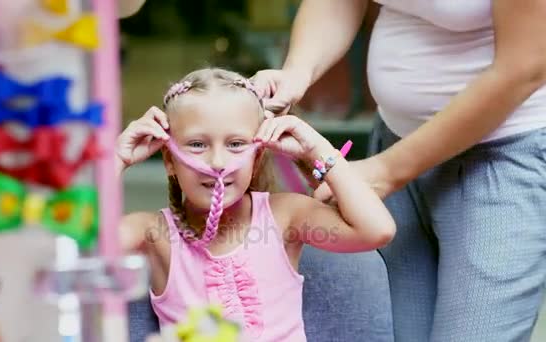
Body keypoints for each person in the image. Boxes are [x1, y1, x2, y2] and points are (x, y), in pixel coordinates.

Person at [251, 0, 546, 341]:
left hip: (501, 158)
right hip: (393, 140)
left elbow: (525, 66)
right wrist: (298, 70)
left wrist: (383, 172)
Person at [116, 67, 395, 341]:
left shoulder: (285, 215)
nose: (218, 163)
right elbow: (77, 246)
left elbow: (376, 230)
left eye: (236, 144)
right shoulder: (152, 233)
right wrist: (116, 160)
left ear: (257, 157)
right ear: (169, 160)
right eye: (197, 145)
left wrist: (317, 149)